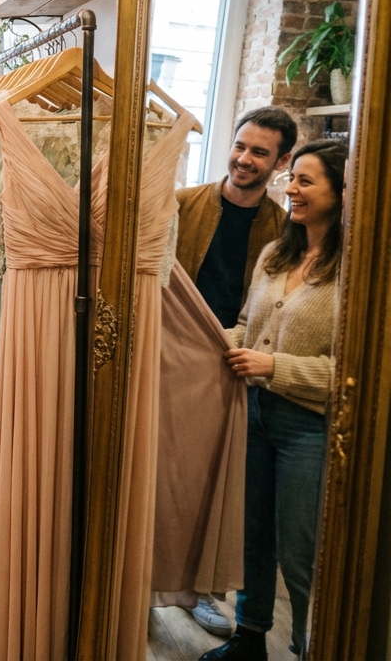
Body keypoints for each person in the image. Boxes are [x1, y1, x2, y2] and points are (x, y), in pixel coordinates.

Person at [201, 139, 346, 661]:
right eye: (294, 180)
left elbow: (356, 373)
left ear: (344, 192)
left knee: (302, 551)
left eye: (306, 181)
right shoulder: (275, 254)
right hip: (254, 414)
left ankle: (313, 645)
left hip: (309, 427)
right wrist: (205, 340)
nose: (292, 189)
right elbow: (244, 325)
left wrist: (274, 367)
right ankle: (250, 636)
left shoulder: (357, 272)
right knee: (252, 536)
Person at [172, 106, 296, 638]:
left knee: (214, 483)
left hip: (232, 365)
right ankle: (148, 584)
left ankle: (198, 591)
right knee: (160, 473)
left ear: (282, 161)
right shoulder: (182, 205)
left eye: (259, 153)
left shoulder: (281, 230)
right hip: (171, 354)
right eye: (240, 146)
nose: (243, 159)